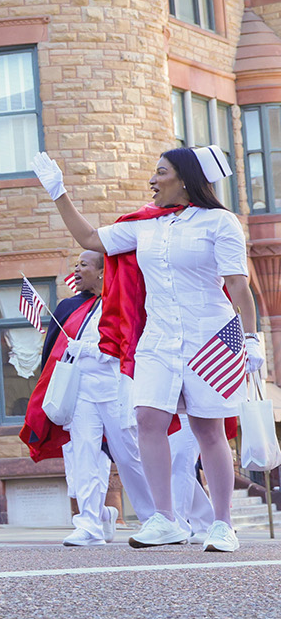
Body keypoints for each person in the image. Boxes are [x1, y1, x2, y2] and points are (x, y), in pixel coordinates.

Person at [32, 145, 259, 553]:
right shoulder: (144, 226)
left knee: (207, 429)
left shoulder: (220, 223)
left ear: (185, 178)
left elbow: (239, 286)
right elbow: (89, 238)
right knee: (147, 420)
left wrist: (251, 339)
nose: (152, 180)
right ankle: (164, 518)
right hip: (158, 339)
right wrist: (58, 191)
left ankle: (223, 525)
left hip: (210, 337)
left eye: (161, 172)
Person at [25, 251, 157, 546]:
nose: (77, 269)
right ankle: (88, 523)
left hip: (114, 388)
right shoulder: (76, 306)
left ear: (101, 271)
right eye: (76, 264)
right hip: (81, 390)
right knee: (84, 453)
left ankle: (154, 517)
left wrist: (89, 350)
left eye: (83, 265)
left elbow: (129, 345)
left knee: (128, 456)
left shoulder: (122, 302)